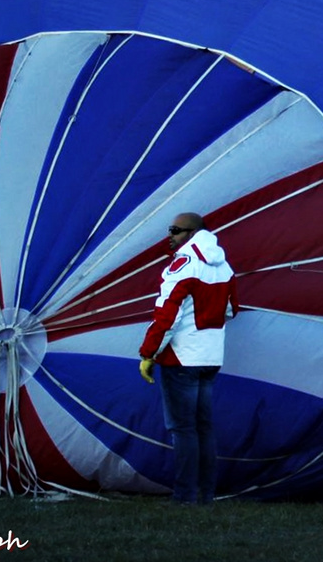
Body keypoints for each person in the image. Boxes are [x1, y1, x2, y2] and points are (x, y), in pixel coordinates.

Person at [138, 212, 237, 504]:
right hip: (211, 357)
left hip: (182, 359)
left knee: (183, 430)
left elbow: (166, 315)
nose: (170, 235)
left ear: (192, 233)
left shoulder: (183, 265)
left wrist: (148, 353)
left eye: (176, 230)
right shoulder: (224, 265)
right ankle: (206, 495)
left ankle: (184, 497)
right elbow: (231, 309)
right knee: (203, 428)